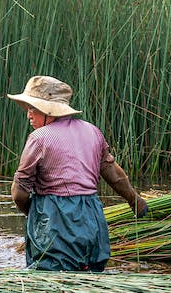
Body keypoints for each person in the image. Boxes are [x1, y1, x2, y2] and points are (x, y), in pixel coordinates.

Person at [8, 75, 148, 271]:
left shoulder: (39, 138)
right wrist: (135, 200)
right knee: (90, 274)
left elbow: (19, 193)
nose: (28, 115)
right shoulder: (92, 131)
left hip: (56, 219)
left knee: (52, 281)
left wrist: (34, 214)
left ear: (48, 110)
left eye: (32, 109)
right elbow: (113, 173)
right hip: (92, 218)